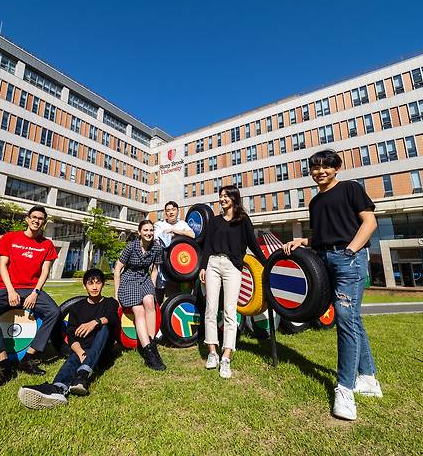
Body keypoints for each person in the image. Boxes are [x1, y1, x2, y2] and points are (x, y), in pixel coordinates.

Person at [282, 149, 380, 421]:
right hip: (325, 259)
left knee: (346, 317)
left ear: (337, 167)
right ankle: (369, 379)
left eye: (326, 166)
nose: (320, 172)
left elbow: (370, 222)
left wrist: (350, 251)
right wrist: (303, 241)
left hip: (350, 259)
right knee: (352, 319)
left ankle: (345, 390)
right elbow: (323, 236)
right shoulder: (314, 202)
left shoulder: (350, 189)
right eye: (315, 168)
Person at [0, 205, 60, 389]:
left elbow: (45, 272)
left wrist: (35, 293)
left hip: (32, 289)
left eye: (40, 218)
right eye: (33, 217)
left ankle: (28, 358)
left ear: (44, 222)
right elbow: (3, 266)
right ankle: (5, 364)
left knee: (54, 312)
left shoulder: (47, 244)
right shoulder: (10, 237)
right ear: (27, 219)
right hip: (7, 288)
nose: (36, 220)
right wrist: (10, 290)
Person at [17, 269, 119, 408]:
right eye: (90, 283)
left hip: (102, 352)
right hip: (83, 350)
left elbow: (113, 318)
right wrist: (81, 354)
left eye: (98, 283)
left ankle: (82, 375)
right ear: (84, 286)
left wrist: (95, 322)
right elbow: (71, 335)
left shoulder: (110, 303)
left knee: (104, 327)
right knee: (73, 358)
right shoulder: (77, 308)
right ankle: (57, 389)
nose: (94, 287)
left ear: (103, 284)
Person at [198, 185, 266, 379]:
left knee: (229, 311)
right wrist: (203, 267)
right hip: (213, 264)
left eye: (226, 195)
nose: (222, 198)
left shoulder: (243, 220)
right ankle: (212, 353)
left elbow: (253, 243)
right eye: (220, 196)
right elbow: (207, 246)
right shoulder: (214, 221)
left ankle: (226, 356)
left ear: (235, 198)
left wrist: (267, 264)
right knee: (211, 309)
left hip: (232, 267)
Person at [114, 219, 166, 371]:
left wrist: (152, 288)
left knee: (150, 302)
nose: (149, 233)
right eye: (146, 230)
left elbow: (155, 270)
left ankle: (151, 343)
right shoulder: (131, 247)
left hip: (144, 279)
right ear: (139, 232)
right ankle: (149, 354)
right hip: (128, 280)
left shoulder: (157, 248)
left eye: (151, 230)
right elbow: (117, 269)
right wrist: (116, 294)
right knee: (139, 310)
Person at [153, 200, 195, 303]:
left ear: (178, 211)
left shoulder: (182, 224)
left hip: (177, 266)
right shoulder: (159, 224)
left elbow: (192, 235)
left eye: (173, 210)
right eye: (168, 210)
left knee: (173, 296)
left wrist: (176, 231)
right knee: (158, 295)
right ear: (165, 213)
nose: (171, 212)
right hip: (161, 264)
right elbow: (160, 240)